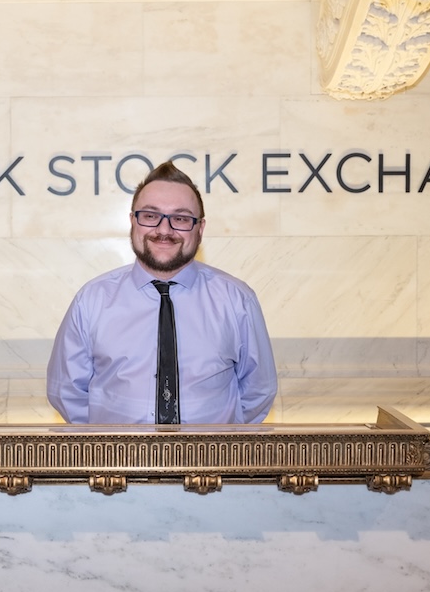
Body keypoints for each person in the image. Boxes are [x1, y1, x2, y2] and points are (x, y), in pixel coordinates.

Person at [46, 160, 277, 425]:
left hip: (209, 463)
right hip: (117, 463)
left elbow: (259, 391)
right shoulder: (91, 301)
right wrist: (110, 447)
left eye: (180, 218)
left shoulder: (238, 301)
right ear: (133, 221)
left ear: (199, 229)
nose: (164, 230)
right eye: (150, 215)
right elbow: (66, 392)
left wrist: (218, 447)